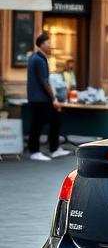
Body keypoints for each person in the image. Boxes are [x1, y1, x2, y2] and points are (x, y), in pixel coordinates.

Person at [26, 33, 70, 162]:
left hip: (38, 98)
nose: (50, 46)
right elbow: (45, 81)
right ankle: (37, 151)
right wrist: (54, 99)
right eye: (48, 43)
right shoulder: (39, 59)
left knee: (51, 121)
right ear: (41, 45)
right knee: (39, 124)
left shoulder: (36, 57)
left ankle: (53, 148)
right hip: (40, 98)